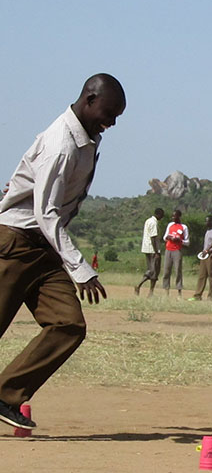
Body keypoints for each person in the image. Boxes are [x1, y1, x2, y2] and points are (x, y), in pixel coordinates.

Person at [0, 73, 125, 429]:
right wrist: (80, 268)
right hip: (15, 244)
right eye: (109, 111)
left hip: (43, 249)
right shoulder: (62, 144)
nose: (112, 121)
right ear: (88, 99)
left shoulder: (85, 138)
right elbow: (46, 213)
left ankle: (6, 393)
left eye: (117, 115)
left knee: (68, 325)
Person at [135, 208, 164, 297]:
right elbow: (153, 237)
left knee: (151, 270)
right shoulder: (153, 223)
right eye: (162, 215)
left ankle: (149, 291)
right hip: (152, 249)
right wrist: (156, 252)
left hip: (147, 248)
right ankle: (145, 288)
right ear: (159, 214)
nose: (162, 217)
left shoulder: (148, 220)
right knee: (154, 271)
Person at [188, 215, 212, 301]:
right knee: (202, 275)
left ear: (211, 222)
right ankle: (197, 295)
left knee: (211, 276)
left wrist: (210, 251)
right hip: (204, 256)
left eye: (207, 221)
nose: (206, 223)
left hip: (210, 255)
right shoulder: (207, 231)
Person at [162, 210, 189, 298]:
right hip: (168, 249)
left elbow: (187, 242)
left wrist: (179, 240)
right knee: (166, 271)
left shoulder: (183, 227)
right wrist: (169, 237)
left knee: (178, 271)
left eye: (175, 216)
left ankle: (179, 292)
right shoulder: (170, 225)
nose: (173, 218)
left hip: (177, 250)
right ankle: (166, 291)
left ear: (179, 216)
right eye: (172, 216)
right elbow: (164, 237)